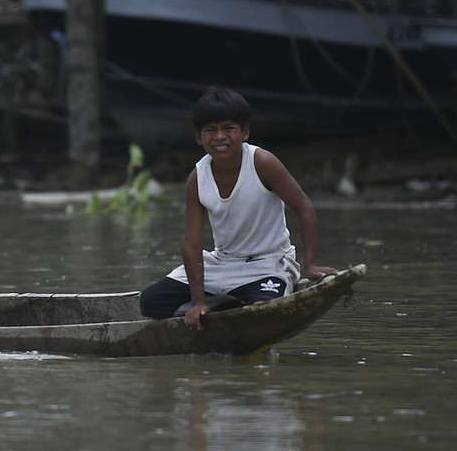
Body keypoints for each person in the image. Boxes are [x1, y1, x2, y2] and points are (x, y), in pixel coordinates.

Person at [139, 87, 335, 330]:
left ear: (245, 132)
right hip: (222, 264)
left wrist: (311, 265)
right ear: (199, 137)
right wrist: (198, 301)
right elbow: (192, 244)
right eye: (211, 130)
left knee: (263, 311)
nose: (220, 137)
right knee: (150, 303)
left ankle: (241, 301)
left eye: (228, 129)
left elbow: (304, 208)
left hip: (268, 264)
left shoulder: (262, 163)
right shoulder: (197, 178)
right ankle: (224, 303)